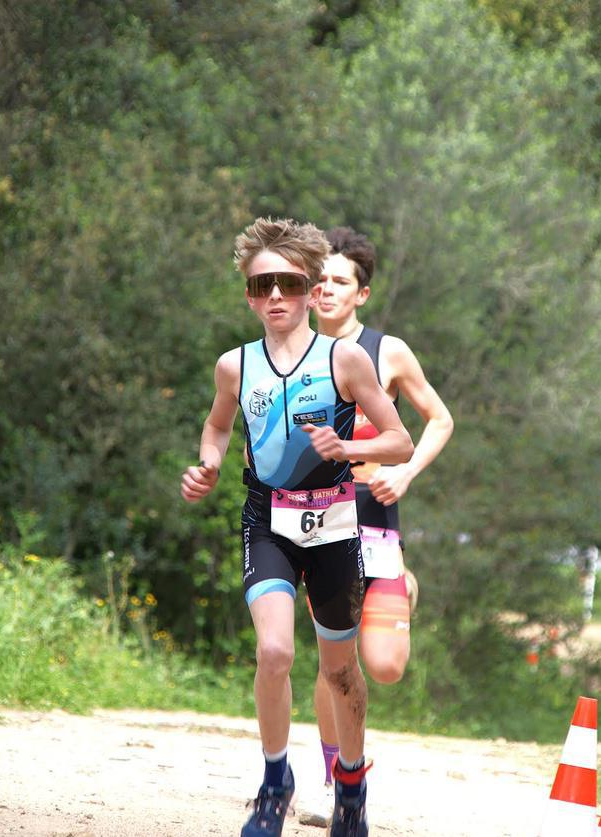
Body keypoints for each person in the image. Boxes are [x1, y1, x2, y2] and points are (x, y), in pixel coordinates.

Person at [180, 217, 413, 837]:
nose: (274, 296)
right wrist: (208, 464)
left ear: (311, 290)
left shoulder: (344, 359)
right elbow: (218, 426)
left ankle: (353, 786)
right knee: (276, 651)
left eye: (287, 283)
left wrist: (345, 449)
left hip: (336, 525)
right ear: (249, 295)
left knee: (339, 671)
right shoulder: (235, 365)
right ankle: (274, 781)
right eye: (261, 286)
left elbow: (400, 440)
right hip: (269, 519)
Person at [298, 226, 454, 827]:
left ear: (361, 293)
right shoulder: (292, 353)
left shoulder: (388, 351)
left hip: (376, 519)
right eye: (320, 280)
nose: (326, 289)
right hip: (318, 521)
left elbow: (438, 419)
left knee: (384, 665)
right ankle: (339, 784)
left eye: (340, 281)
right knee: (334, 661)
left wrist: (407, 472)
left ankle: (402, 585)